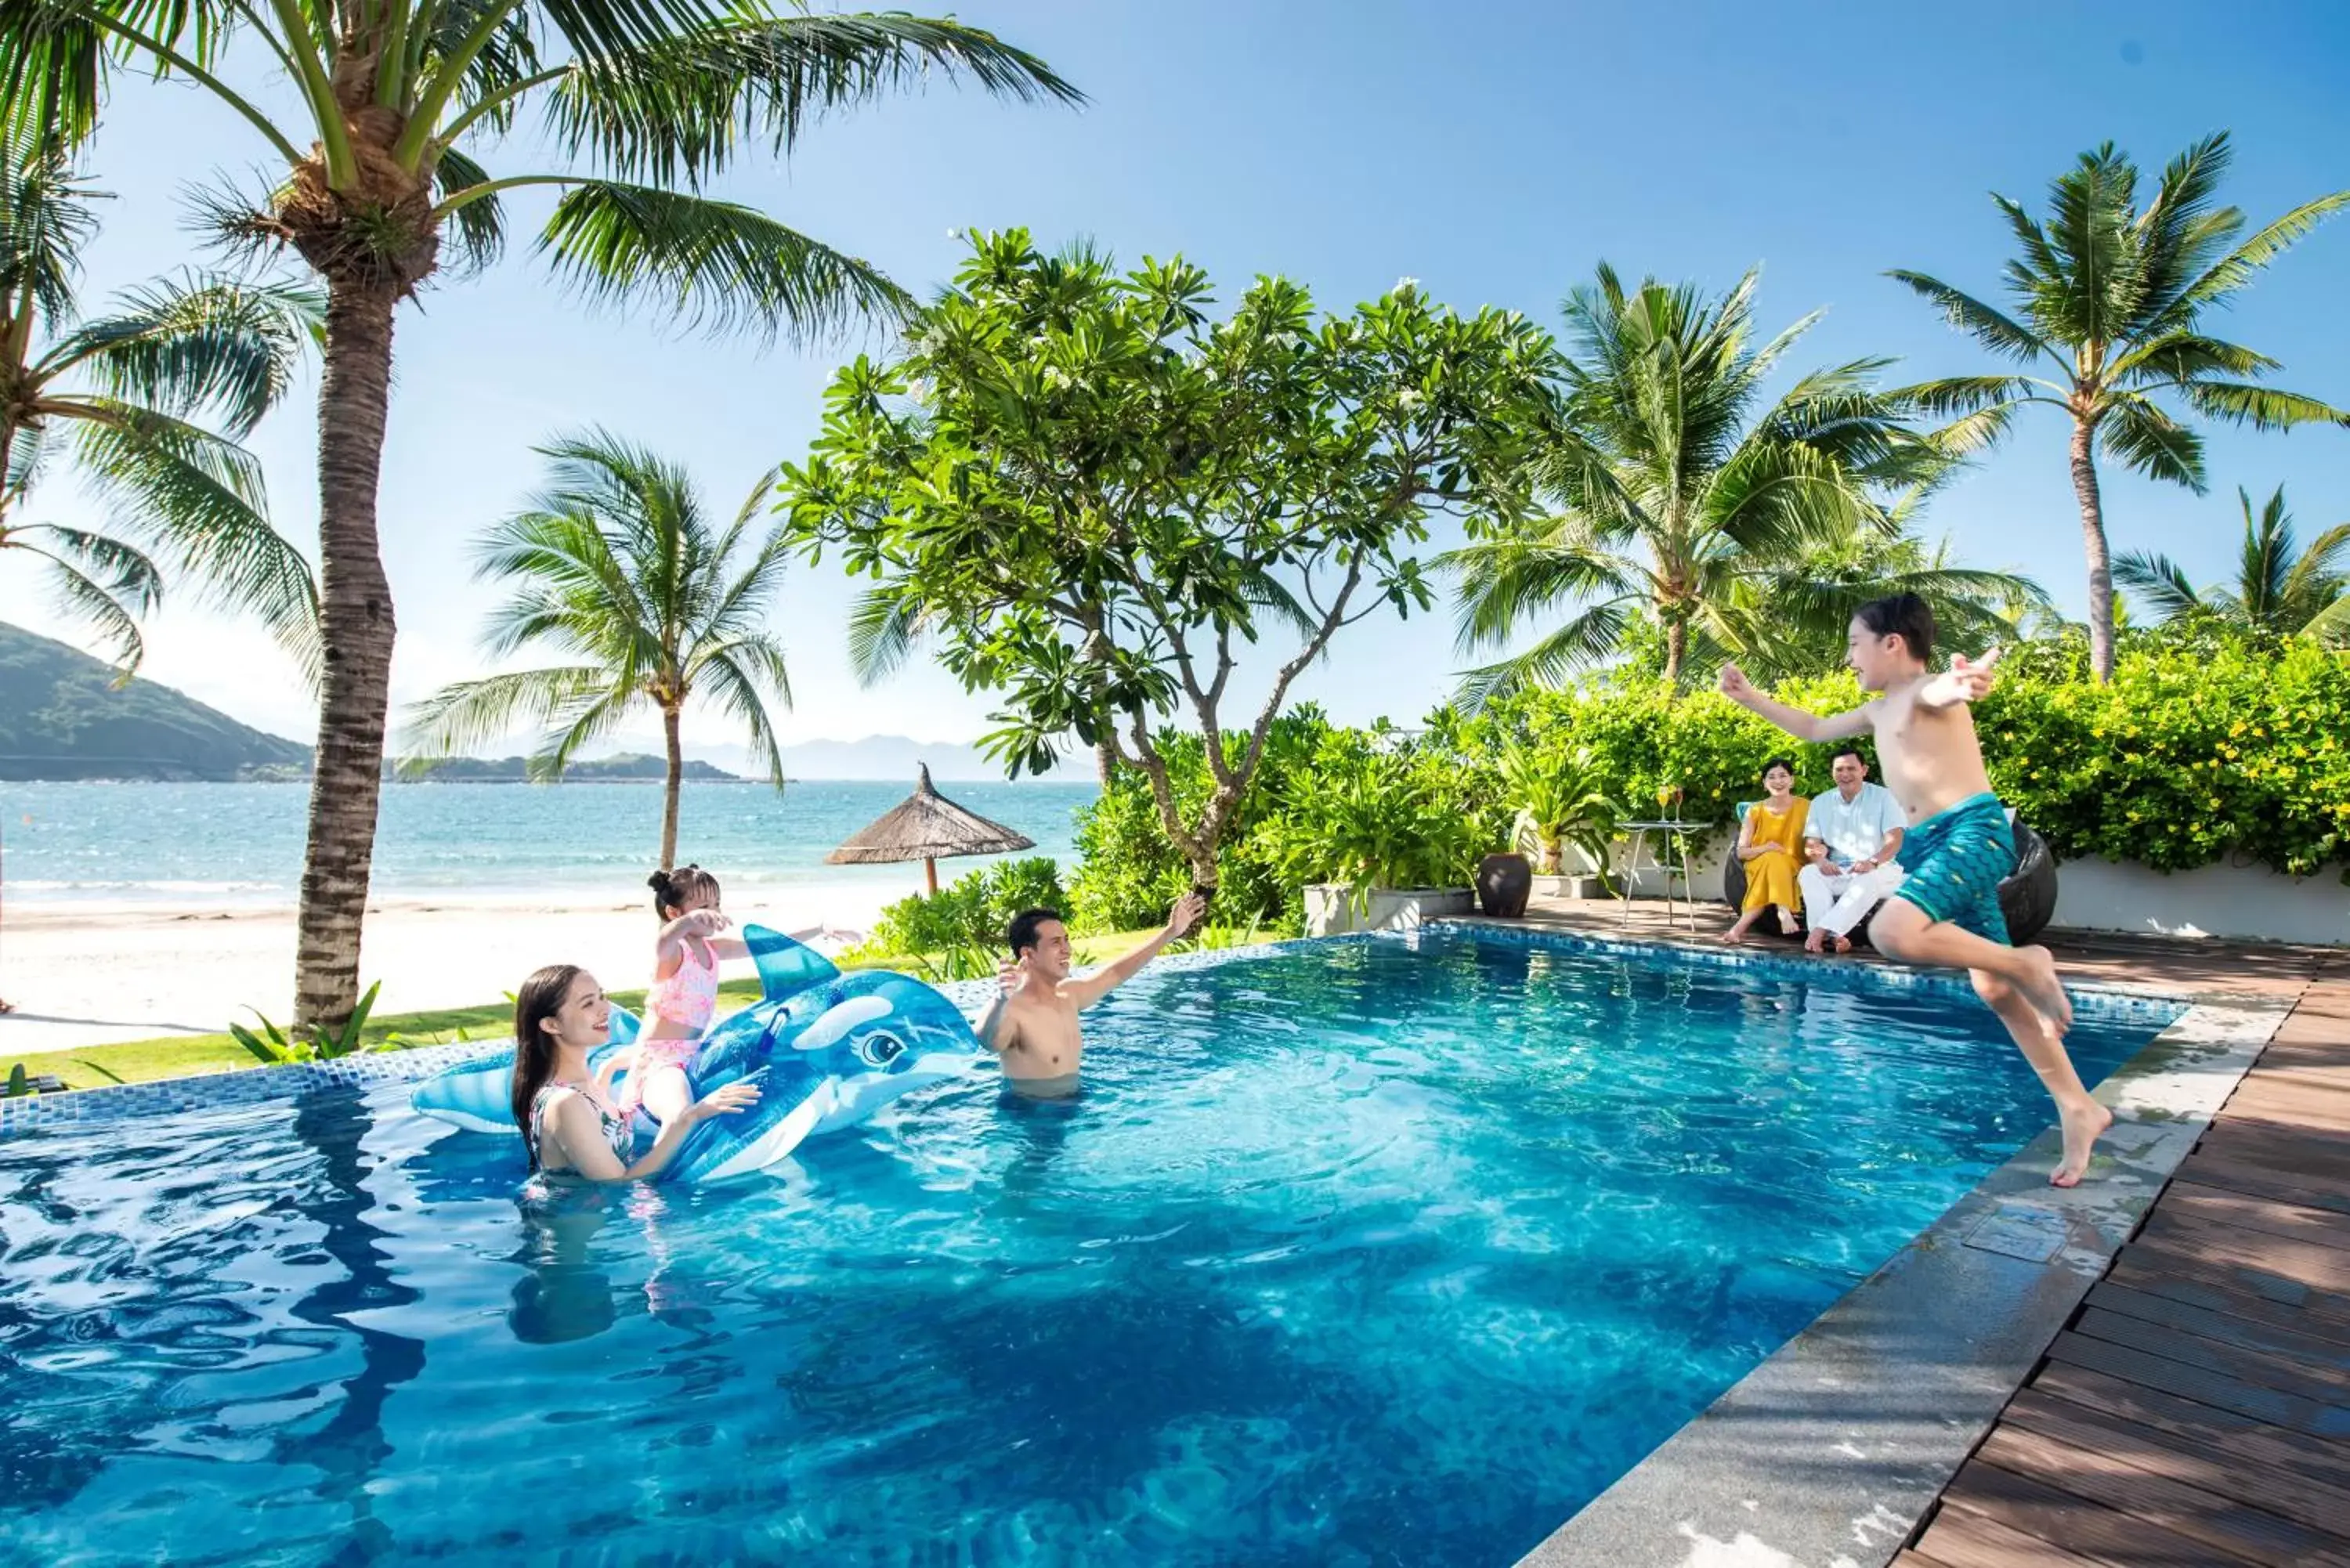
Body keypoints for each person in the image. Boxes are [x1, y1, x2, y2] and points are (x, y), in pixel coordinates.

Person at [1719, 592, 2105, 1187]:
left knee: (1892, 931)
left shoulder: (1925, 694)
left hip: (1971, 834)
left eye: (1855, 644)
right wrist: (1750, 698)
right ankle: (2080, 1107)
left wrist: (1969, 681)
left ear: (1892, 643)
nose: (1849, 659)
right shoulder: (1877, 712)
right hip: (1933, 845)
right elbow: (1815, 727)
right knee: (1995, 990)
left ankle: (2027, 962)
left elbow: (1952, 690)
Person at [617, 865, 837, 1125]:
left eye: (717, 904)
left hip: (695, 1051)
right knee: (681, 1113)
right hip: (661, 1059)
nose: (714, 912)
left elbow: (768, 945)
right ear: (674, 913)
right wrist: (687, 922)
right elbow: (663, 940)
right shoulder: (674, 952)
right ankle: (653, 1165)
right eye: (703, 907)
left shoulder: (713, 949)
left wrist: (820, 929)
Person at [508, 963, 757, 1182]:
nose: (605, 1009)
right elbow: (618, 1183)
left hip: (599, 1223)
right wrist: (689, 1117)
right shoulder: (565, 1102)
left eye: (601, 996)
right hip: (577, 1229)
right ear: (552, 1025)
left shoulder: (587, 1086)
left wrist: (610, 1068)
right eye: (588, 1004)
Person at [977, 893, 1208, 1092]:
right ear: (1028, 954)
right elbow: (986, 1040)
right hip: (1035, 1118)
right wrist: (1001, 998)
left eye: (1066, 940)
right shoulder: (1013, 1009)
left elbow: (1116, 972)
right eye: (1056, 943)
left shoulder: (1069, 995)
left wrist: (1170, 932)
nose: (1067, 950)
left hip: (1076, 1102)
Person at [1797, 746, 1907, 955]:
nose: (1845, 774)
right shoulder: (1820, 802)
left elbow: (1894, 841)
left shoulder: (1885, 798)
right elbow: (1812, 845)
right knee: (1808, 873)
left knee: (1866, 878)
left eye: (1851, 768)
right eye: (1839, 769)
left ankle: (1820, 932)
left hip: (1880, 869)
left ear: (1864, 770)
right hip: (1840, 871)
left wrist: (1872, 862)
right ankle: (1836, 937)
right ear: (1832, 772)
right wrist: (1821, 861)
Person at [1721, 759, 1809, 945]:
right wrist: (1766, 848)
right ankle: (1783, 910)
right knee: (1772, 859)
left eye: (1783, 776)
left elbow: (1816, 840)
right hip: (1758, 861)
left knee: (1774, 864)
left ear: (1792, 780)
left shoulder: (1806, 807)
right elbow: (1741, 853)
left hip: (1794, 863)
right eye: (1772, 777)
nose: (1778, 781)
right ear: (1764, 783)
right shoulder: (1755, 811)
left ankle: (1738, 929)